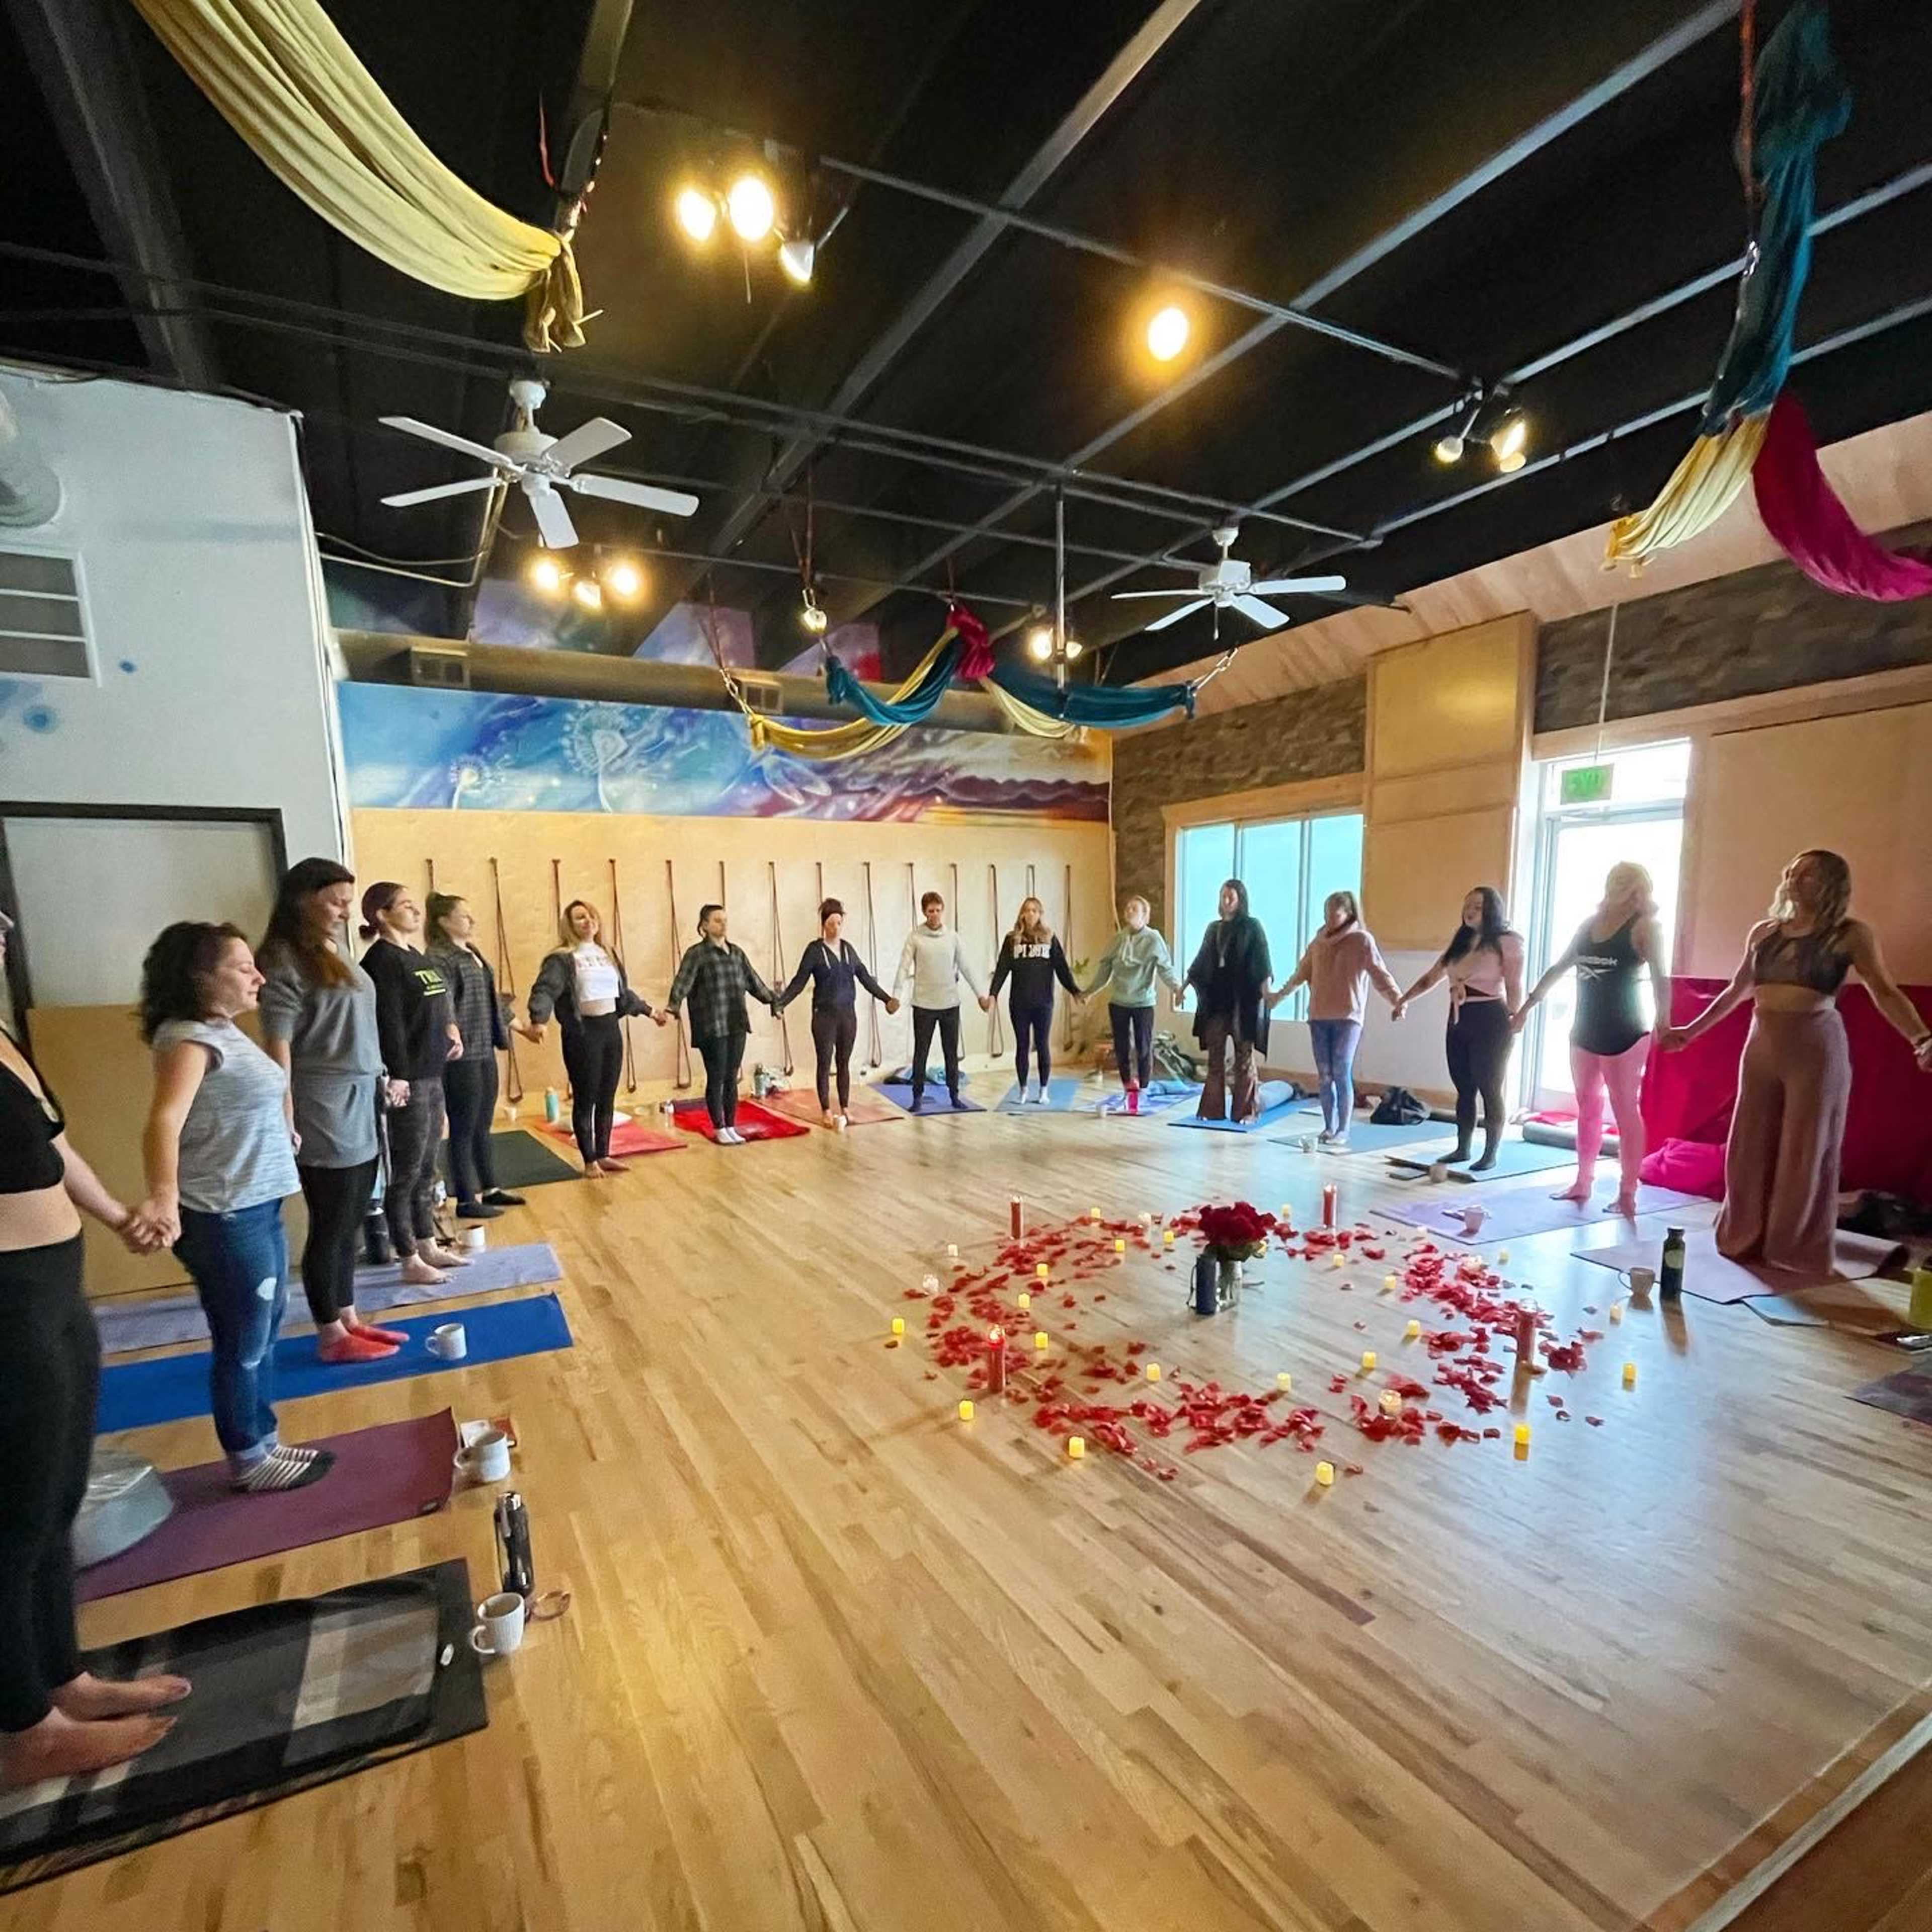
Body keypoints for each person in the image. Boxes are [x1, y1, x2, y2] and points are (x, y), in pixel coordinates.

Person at [0, 911, 189, 1790]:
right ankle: (22, 1730)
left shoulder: (1, 1036)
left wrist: (121, 1215)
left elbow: (51, 1146)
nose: (4, 924)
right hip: (6, 1305)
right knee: (13, 1516)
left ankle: (63, 1678)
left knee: (57, 1496)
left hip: (53, 1291)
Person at [1663, 850, 1931, 1274]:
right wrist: (1689, 1031)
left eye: (1808, 874)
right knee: (1750, 1143)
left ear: (1830, 884)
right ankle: (1745, 1234)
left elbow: (1884, 990)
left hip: (1816, 1047)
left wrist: (1921, 1038)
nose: (1794, 878)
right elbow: (1736, 991)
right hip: (1763, 1044)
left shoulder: (1850, 934)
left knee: (1805, 1148)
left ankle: (1794, 1245)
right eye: (1793, 871)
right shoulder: (1764, 932)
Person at [135, 923, 331, 1494]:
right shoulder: (189, 1038)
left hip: (255, 1205)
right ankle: (248, 1455)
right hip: (223, 1213)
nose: (258, 977)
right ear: (200, 977)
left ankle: (263, 1441)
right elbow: (164, 1120)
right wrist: (164, 1197)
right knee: (244, 1338)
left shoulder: (224, 1030)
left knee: (265, 1330)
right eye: (242, 968)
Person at [258, 857, 406, 1363]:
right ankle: (330, 1334)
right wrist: (285, 1114)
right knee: (333, 1220)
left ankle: (348, 1317)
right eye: (336, 901)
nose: (346, 911)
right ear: (303, 898)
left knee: (354, 1217)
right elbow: (277, 1043)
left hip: (361, 1094)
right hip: (321, 1101)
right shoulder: (283, 957)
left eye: (348, 901)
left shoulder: (332, 948)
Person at [1512, 863, 1669, 1216]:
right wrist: (1526, 1008)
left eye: (1627, 881)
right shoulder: (1590, 925)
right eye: (1614, 878)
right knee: (1588, 1106)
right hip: (1585, 1029)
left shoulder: (1645, 927)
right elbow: (1559, 968)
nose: (1618, 886)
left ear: (1639, 888)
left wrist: (1666, 1023)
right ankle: (1584, 1180)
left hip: (1625, 1031)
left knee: (1625, 1108)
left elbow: (1661, 977)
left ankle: (1628, 1190)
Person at [359, 882, 468, 1279]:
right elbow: (388, 1023)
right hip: (409, 1080)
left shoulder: (416, 956)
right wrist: (399, 1075)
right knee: (405, 1172)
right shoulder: (382, 961)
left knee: (427, 1167)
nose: (415, 911)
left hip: (432, 1071)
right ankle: (407, 1257)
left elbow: (436, 1003)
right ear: (383, 915)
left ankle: (427, 1244)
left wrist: (450, 1030)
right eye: (405, 906)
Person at [522, 899, 665, 1175]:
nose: (587, 921)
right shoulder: (562, 958)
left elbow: (624, 995)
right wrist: (539, 1019)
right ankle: (589, 1161)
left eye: (591, 916)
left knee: (607, 1096)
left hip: (610, 1029)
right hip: (583, 1033)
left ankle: (604, 1154)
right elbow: (545, 990)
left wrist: (651, 1011)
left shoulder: (607, 953)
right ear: (569, 925)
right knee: (586, 1097)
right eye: (579, 918)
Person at [1393, 887, 1525, 1170]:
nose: (1470, 911)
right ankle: (1463, 1148)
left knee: (1490, 1087)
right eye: (1467, 905)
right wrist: (1404, 1000)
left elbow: (1515, 983)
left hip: (1491, 1019)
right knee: (1464, 1087)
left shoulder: (1507, 941)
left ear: (1492, 909)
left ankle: (1490, 1153)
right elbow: (1433, 977)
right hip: (1459, 1018)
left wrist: (1517, 1015)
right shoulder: (1461, 941)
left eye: (1478, 906)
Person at [1267, 890, 1401, 1148]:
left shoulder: (1362, 941)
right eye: (1327, 913)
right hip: (1319, 1017)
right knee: (1325, 1076)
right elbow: (1300, 975)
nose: (1330, 918)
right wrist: (1278, 998)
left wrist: (1397, 1000)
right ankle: (1328, 1127)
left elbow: (1380, 975)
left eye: (1335, 914)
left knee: (1342, 1071)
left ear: (1348, 914)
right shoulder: (1317, 944)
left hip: (1348, 1018)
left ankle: (1343, 1129)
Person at [426, 892, 523, 1217]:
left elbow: (492, 1000)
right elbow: (442, 1001)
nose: (471, 920)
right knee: (463, 1126)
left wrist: (521, 1027)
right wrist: (451, 1031)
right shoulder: (439, 956)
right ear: (443, 920)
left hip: (484, 1048)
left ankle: (491, 1187)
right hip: (461, 1054)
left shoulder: (473, 953)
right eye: (464, 916)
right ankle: (467, 1200)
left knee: (483, 1123)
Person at [666, 904, 781, 1144]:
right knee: (716, 1076)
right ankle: (718, 1127)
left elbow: (754, 982)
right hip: (711, 1025)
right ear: (705, 926)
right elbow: (682, 983)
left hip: (736, 1022)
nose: (723, 924)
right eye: (717, 920)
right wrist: (673, 1007)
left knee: (731, 1077)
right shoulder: (697, 954)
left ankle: (731, 1125)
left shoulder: (737, 953)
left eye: (725, 920)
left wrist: (775, 1002)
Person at [776, 899, 898, 1125]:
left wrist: (887, 999)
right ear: (824, 925)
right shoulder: (814, 951)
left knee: (844, 1062)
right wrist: (781, 1003)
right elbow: (799, 982)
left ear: (843, 923)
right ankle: (825, 1110)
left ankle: (845, 1107)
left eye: (839, 923)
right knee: (825, 1062)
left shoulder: (849, 950)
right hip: (824, 1016)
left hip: (847, 1016)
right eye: (831, 923)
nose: (835, 928)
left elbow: (864, 977)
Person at [893, 890, 991, 1111]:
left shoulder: (953, 937)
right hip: (924, 1005)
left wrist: (981, 996)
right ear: (924, 912)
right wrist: (896, 996)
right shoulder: (915, 937)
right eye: (930, 911)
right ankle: (917, 1097)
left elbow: (967, 967)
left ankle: (955, 1095)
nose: (935, 915)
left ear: (942, 910)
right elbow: (903, 967)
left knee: (951, 1053)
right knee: (921, 1053)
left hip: (949, 1005)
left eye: (938, 910)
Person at [1184, 879, 1272, 1122]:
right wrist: (1184, 987)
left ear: (1241, 900)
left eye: (1231, 897)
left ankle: (1246, 1112)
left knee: (1244, 1057)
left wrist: (1268, 992)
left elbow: (1262, 960)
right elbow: (1200, 962)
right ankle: (1212, 1110)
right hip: (1216, 1000)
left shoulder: (1253, 927)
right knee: (1215, 1057)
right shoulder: (1214, 929)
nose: (1226, 901)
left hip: (1243, 1001)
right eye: (1223, 896)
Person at [1083, 894, 1183, 1100]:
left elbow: (1165, 968)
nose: (1129, 911)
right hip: (1119, 1002)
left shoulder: (1154, 939)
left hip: (1143, 1003)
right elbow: (1105, 971)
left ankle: (1144, 1089)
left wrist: (1177, 988)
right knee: (1122, 1048)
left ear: (1145, 916)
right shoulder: (1118, 939)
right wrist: (1089, 992)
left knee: (1143, 1047)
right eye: (1128, 908)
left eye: (1134, 909)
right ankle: (1128, 1087)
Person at [989, 896, 1081, 1102]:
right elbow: (1002, 969)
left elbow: (1062, 968)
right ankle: (1023, 1089)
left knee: (1042, 1044)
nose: (1030, 914)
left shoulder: (1050, 938)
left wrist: (1074, 991)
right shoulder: (1012, 940)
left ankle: (1044, 1089)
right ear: (1022, 914)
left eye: (1034, 911)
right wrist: (993, 994)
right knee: (1023, 1045)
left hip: (1043, 1003)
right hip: (1019, 1003)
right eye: (1027, 910)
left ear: (1040, 915)